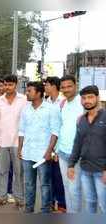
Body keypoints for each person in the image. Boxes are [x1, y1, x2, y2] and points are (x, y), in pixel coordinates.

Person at [18, 81, 60, 213]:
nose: (27, 93)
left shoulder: (51, 109)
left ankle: (45, 211)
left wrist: (49, 152)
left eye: (29, 91)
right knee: (29, 184)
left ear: (39, 93)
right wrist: (20, 149)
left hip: (43, 155)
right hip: (28, 153)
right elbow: (21, 131)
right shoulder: (25, 109)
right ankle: (28, 209)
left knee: (45, 185)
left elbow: (55, 132)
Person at [68, 85, 106, 214]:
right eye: (84, 98)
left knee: (104, 204)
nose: (87, 101)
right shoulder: (81, 120)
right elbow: (77, 144)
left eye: (90, 97)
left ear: (97, 98)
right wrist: (71, 164)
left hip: (102, 171)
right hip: (85, 170)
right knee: (90, 202)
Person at [0, 75, 26, 209]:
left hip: (18, 142)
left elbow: (27, 121)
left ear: (15, 85)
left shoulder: (24, 100)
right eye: (5, 85)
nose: (7, 87)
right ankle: (1, 198)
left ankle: (19, 200)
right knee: (3, 171)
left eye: (10, 85)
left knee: (18, 172)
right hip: (2, 141)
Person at [57, 75, 84, 213]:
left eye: (69, 86)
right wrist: (56, 150)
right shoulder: (62, 103)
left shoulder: (83, 102)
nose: (66, 89)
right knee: (66, 187)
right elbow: (61, 127)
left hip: (77, 155)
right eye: (63, 87)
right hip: (62, 153)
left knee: (74, 189)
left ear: (76, 86)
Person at [44, 76, 66, 212]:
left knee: (59, 178)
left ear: (53, 86)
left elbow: (62, 127)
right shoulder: (45, 102)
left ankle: (62, 204)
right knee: (48, 177)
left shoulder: (63, 102)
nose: (45, 87)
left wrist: (56, 150)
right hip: (46, 146)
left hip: (58, 148)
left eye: (46, 85)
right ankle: (50, 203)